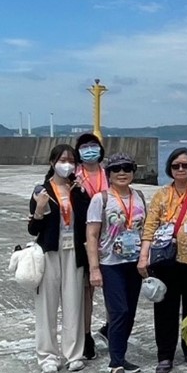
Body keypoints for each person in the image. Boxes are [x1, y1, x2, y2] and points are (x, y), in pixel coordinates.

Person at [138, 148, 187, 373]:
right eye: (176, 165)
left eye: (185, 165)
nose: (180, 169)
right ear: (170, 168)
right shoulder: (161, 195)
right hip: (165, 259)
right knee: (165, 308)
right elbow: (150, 225)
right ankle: (165, 354)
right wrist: (144, 256)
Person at [86, 153, 148, 373]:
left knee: (130, 312)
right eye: (116, 169)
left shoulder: (139, 196)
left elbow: (145, 230)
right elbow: (92, 235)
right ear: (108, 174)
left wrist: (145, 257)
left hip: (134, 262)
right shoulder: (100, 199)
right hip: (110, 263)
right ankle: (115, 364)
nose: (122, 173)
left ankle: (117, 349)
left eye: (127, 168)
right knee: (119, 310)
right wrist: (94, 268)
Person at [27, 144, 90, 373]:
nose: (68, 164)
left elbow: (85, 224)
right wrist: (40, 209)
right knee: (47, 305)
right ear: (53, 162)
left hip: (73, 251)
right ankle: (47, 357)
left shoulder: (77, 190)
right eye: (63, 160)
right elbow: (33, 229)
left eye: (72, 160)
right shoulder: (41, 190)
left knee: (74, 303)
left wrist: (82, 195)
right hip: (49, 252)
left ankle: (74, 354)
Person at [74, 132, 107, 360]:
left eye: (93, 145)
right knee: (87, 290)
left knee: (117, 289)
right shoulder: (74, 176)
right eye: (84, 146)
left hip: (110, 239)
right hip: (84, 239)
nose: (89, 150)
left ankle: (110, 328)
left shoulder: (110, 174)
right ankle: (86, 336)